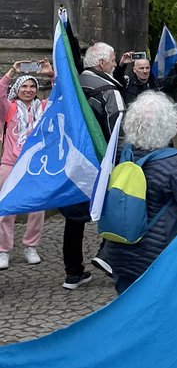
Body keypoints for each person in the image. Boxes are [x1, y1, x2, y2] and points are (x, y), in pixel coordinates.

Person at [104, 92, 177, 294]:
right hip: (157, 253)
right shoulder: (174, 162)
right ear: (166, 125)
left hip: (121, 249)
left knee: (128, 309)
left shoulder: (123, 153)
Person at [61, 41, 126, 290]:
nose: (114, 63)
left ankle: (73, 272)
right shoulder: (108, 89)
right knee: (115, 207)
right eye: (112, 59)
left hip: (75, 159)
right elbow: (117, 129)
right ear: (101, 63)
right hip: (102, 161)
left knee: (73, 216)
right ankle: (108, 257)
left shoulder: (72, 85)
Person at [0, 59, 54, 268]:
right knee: (6, 208)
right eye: (24, 85)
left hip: (35, 164)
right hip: (10, 164)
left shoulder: (43, 106)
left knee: (37, 209)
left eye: (32, 86)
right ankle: (3, 249)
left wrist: (51, 75)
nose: (29, 90)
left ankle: (31, 246)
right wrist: (12, 72)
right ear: (17, 88)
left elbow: (62, 97)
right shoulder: (9, 108)